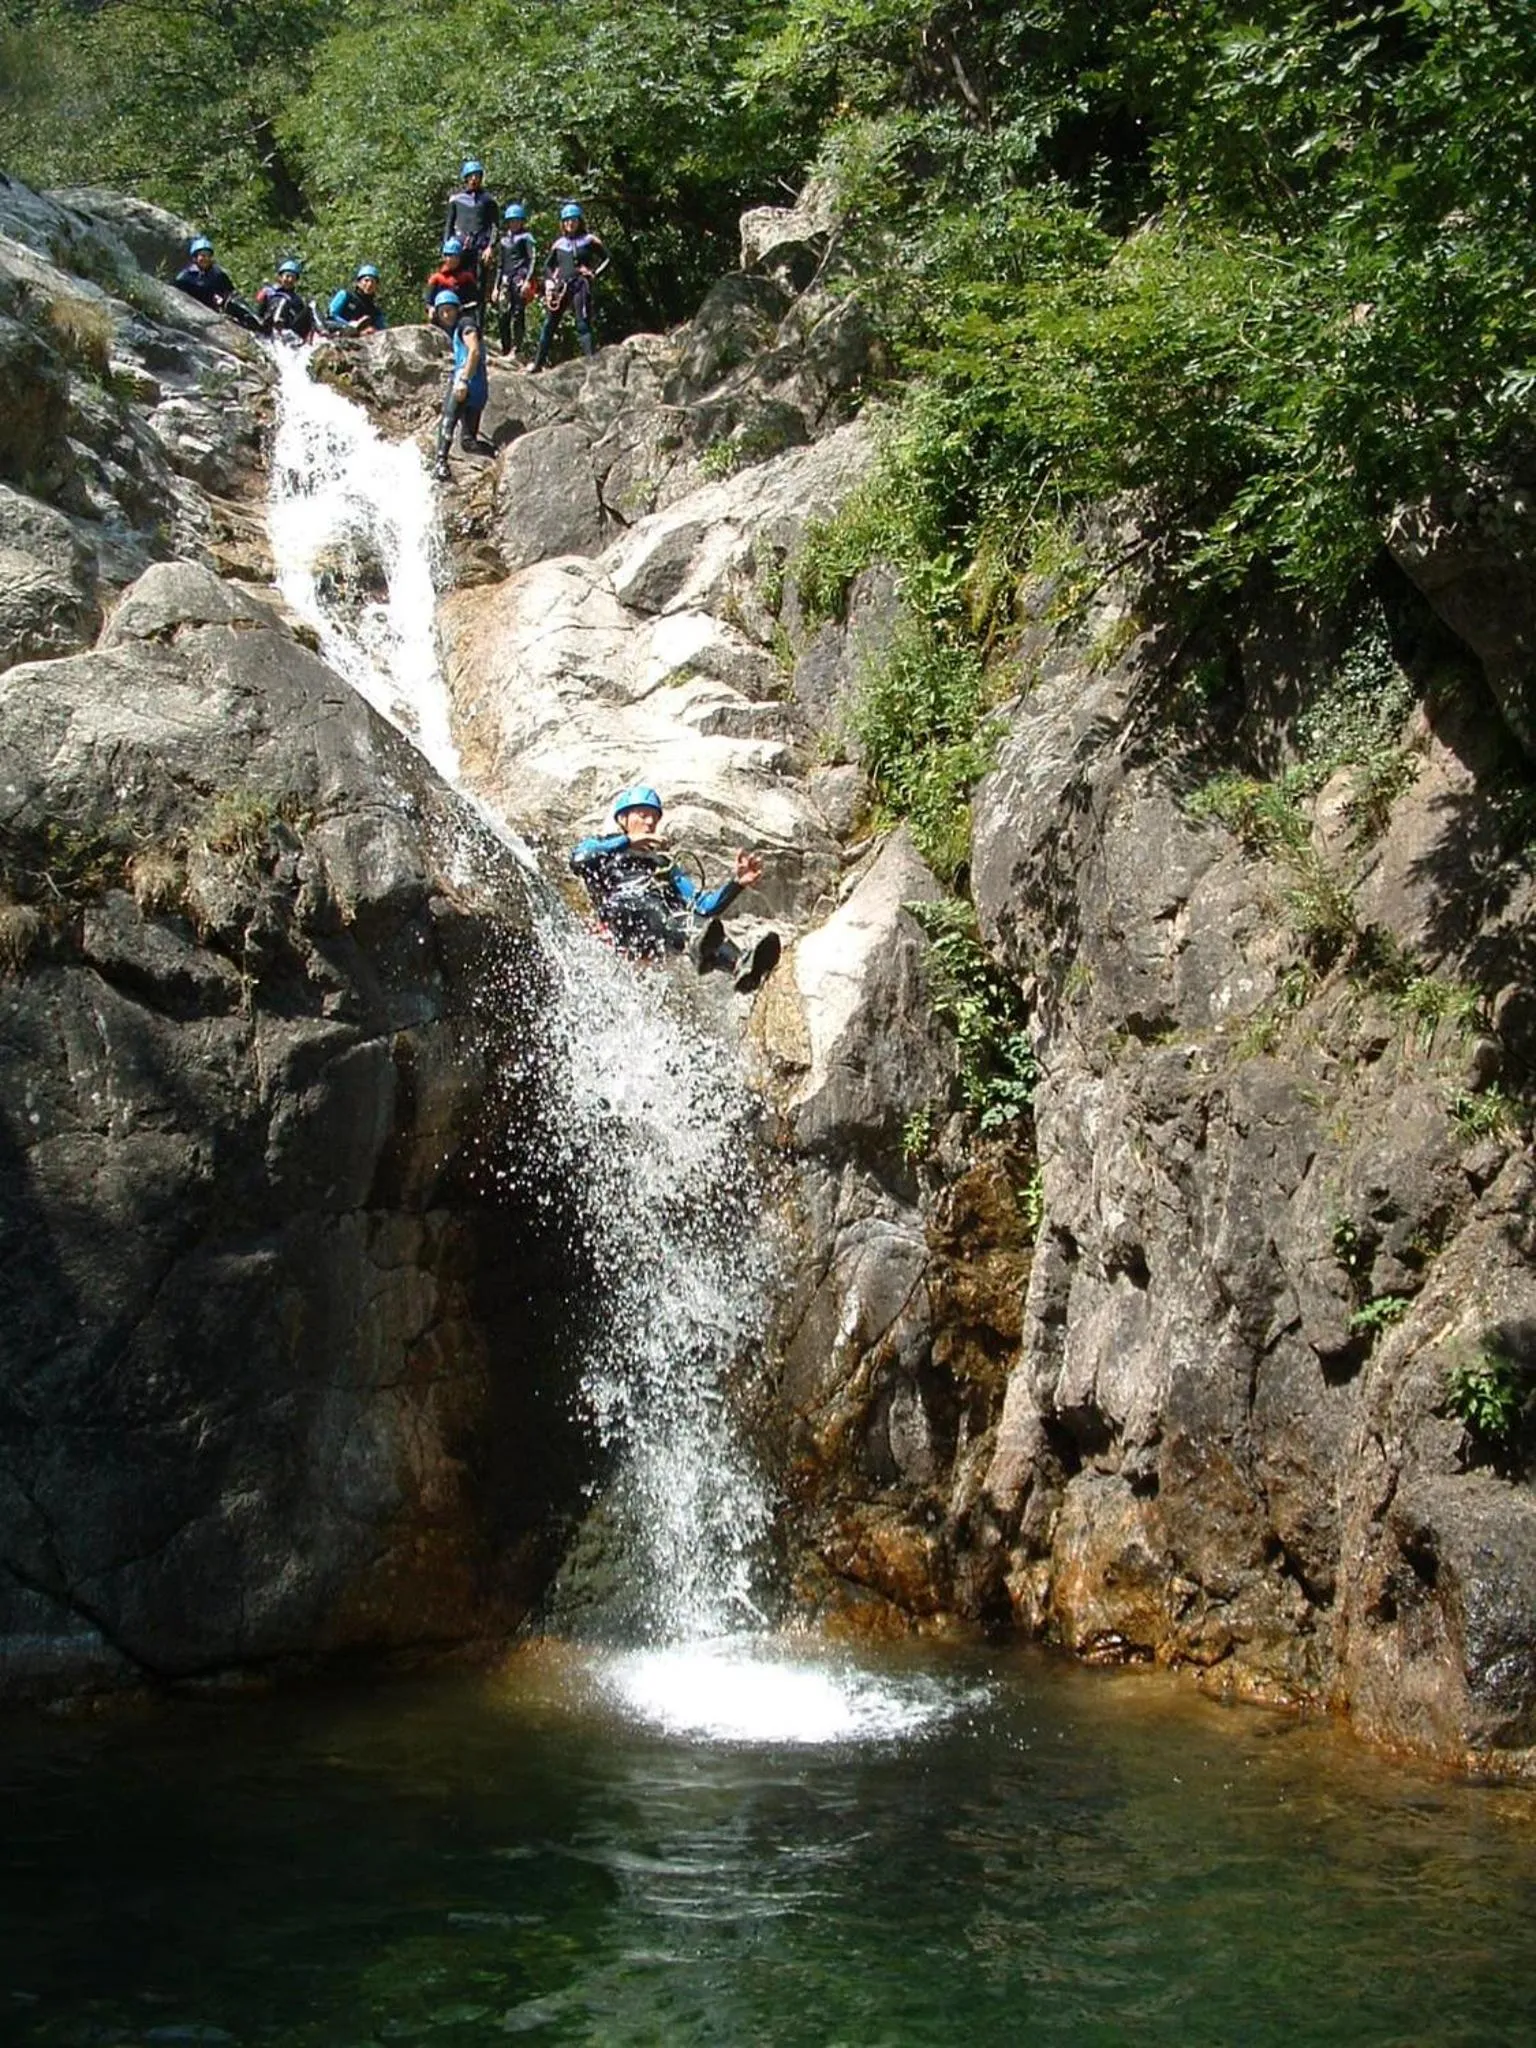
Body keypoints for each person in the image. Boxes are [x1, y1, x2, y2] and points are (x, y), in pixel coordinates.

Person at [570, 784, 781, 993]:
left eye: (654, 817)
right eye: (643, 815)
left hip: (657, 930)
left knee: (696, 921)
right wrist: (628, 842)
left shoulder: (663, 863)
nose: (650, 822)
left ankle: (741, 966)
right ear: (622, 819)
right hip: (622, 919)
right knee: (653, 908)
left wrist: (737, 883)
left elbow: (703, 906)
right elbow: (579, 860)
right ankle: (697, 948)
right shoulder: (602, 847)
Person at [530, 202, 608, 370]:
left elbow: (607, 258)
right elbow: (547, 267)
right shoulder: (559, 244)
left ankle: (591, 363)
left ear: (579, 221)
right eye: (566, 221)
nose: (570, 224)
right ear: (562, 223)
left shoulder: (589, 240)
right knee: (549, 325)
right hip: (562, 286)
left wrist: (594, 273)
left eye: (573, 220)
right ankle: (538, 364)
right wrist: (551, 282)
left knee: (583, 323)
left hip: (580, 284)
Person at [429, 288, 491, 480]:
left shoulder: (465, 324)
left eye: (449, 310)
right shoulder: (460, 326)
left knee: (448, 420)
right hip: (480, 387)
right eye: (442, 312)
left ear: (458, 309)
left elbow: (474, 351)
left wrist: (462, 379)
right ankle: (494, 453)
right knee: (468, 442)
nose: (446, 315)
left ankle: (441, 464)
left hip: (466, 381)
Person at [442, 158, 499, 285]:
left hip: (480, 248)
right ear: (466, 177)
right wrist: (446, 248)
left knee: (479, 284)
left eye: (477, 175)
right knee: (454, 282)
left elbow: (494, 226)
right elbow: (449, 225)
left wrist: (490, 247)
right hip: (458, 248)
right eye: (471, 176)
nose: (474, 178)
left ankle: (479, 304)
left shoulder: (488, 200)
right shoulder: (456, 200)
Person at [492, 203, 537, 358]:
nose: (514, 223)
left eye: (517, 220)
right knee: (503, 314)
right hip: (505, 279)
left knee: (518, 313)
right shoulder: (504, 241)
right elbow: (499, 265)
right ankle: (505, 348)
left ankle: (517, 348)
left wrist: (527, 281)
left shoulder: (527, 238)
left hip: (520, 277)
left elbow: (532, 260)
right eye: (512, 220)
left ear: (522, 221)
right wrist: (495, 287)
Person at [254, 257, 315, 343]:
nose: (289, 280)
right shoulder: (269, 293)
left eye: (292, 277)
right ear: (280, 277)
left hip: (286, 332)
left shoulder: (297, 300)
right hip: (268, 327)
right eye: (287, 276)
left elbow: (297, 321)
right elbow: (260, 313)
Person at [423, 236, 481, 323]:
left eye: (454, 256)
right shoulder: (436, 278)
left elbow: (476, 301)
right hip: (440, 318)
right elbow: (427, 301)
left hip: (462, 318)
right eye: (448, 256)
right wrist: (431, 309)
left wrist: (461, 309)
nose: (450, 259)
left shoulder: (466, 277)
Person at [172, 236, 235, 312]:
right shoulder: (185, 277)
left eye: (208, 255)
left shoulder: (217, 273)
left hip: (215, 309)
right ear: (195, 258)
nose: (206, 259)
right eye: (203, 255)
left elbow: (230, 291)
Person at [325, 263, 387, 334]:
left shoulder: (375, 311)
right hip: (338, 330)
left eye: (373, 282)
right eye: (366, 280)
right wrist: (350, 325)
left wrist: (373, 330)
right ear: (358, 283)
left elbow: (382, 330)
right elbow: (331, 315)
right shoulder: (346, 296)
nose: (369, 284)